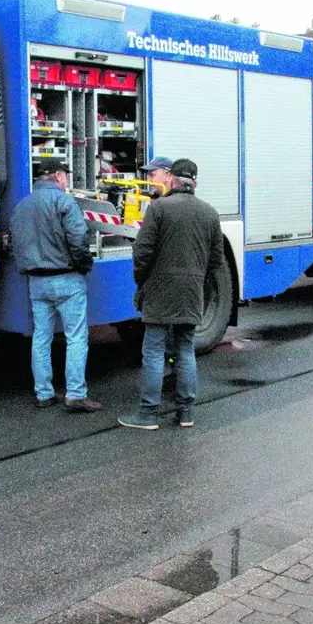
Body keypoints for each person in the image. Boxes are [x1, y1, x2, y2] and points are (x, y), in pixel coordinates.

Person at [120, 158, 225, 430]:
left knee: (154, 351)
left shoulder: (159, 209)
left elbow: (141, 252)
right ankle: (186, 413)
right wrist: (198, 280)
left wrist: (141, 281)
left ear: (172, 180)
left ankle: (147, 414)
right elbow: (216, 261)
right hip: (191, 293)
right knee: (185, 349)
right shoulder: (210, 213)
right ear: (195, 183)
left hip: (159, 290)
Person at [8, 160, 104, 412]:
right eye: (65, 178)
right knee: (76, 337)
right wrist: (84, 265)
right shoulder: (64, 202)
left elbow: (14, 242)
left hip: (36, 282)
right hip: (66, 278)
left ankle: (43, 394)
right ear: (59, 176)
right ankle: (75, 394)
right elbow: (78, 239)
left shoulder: (22, 205)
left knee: (41, 337)